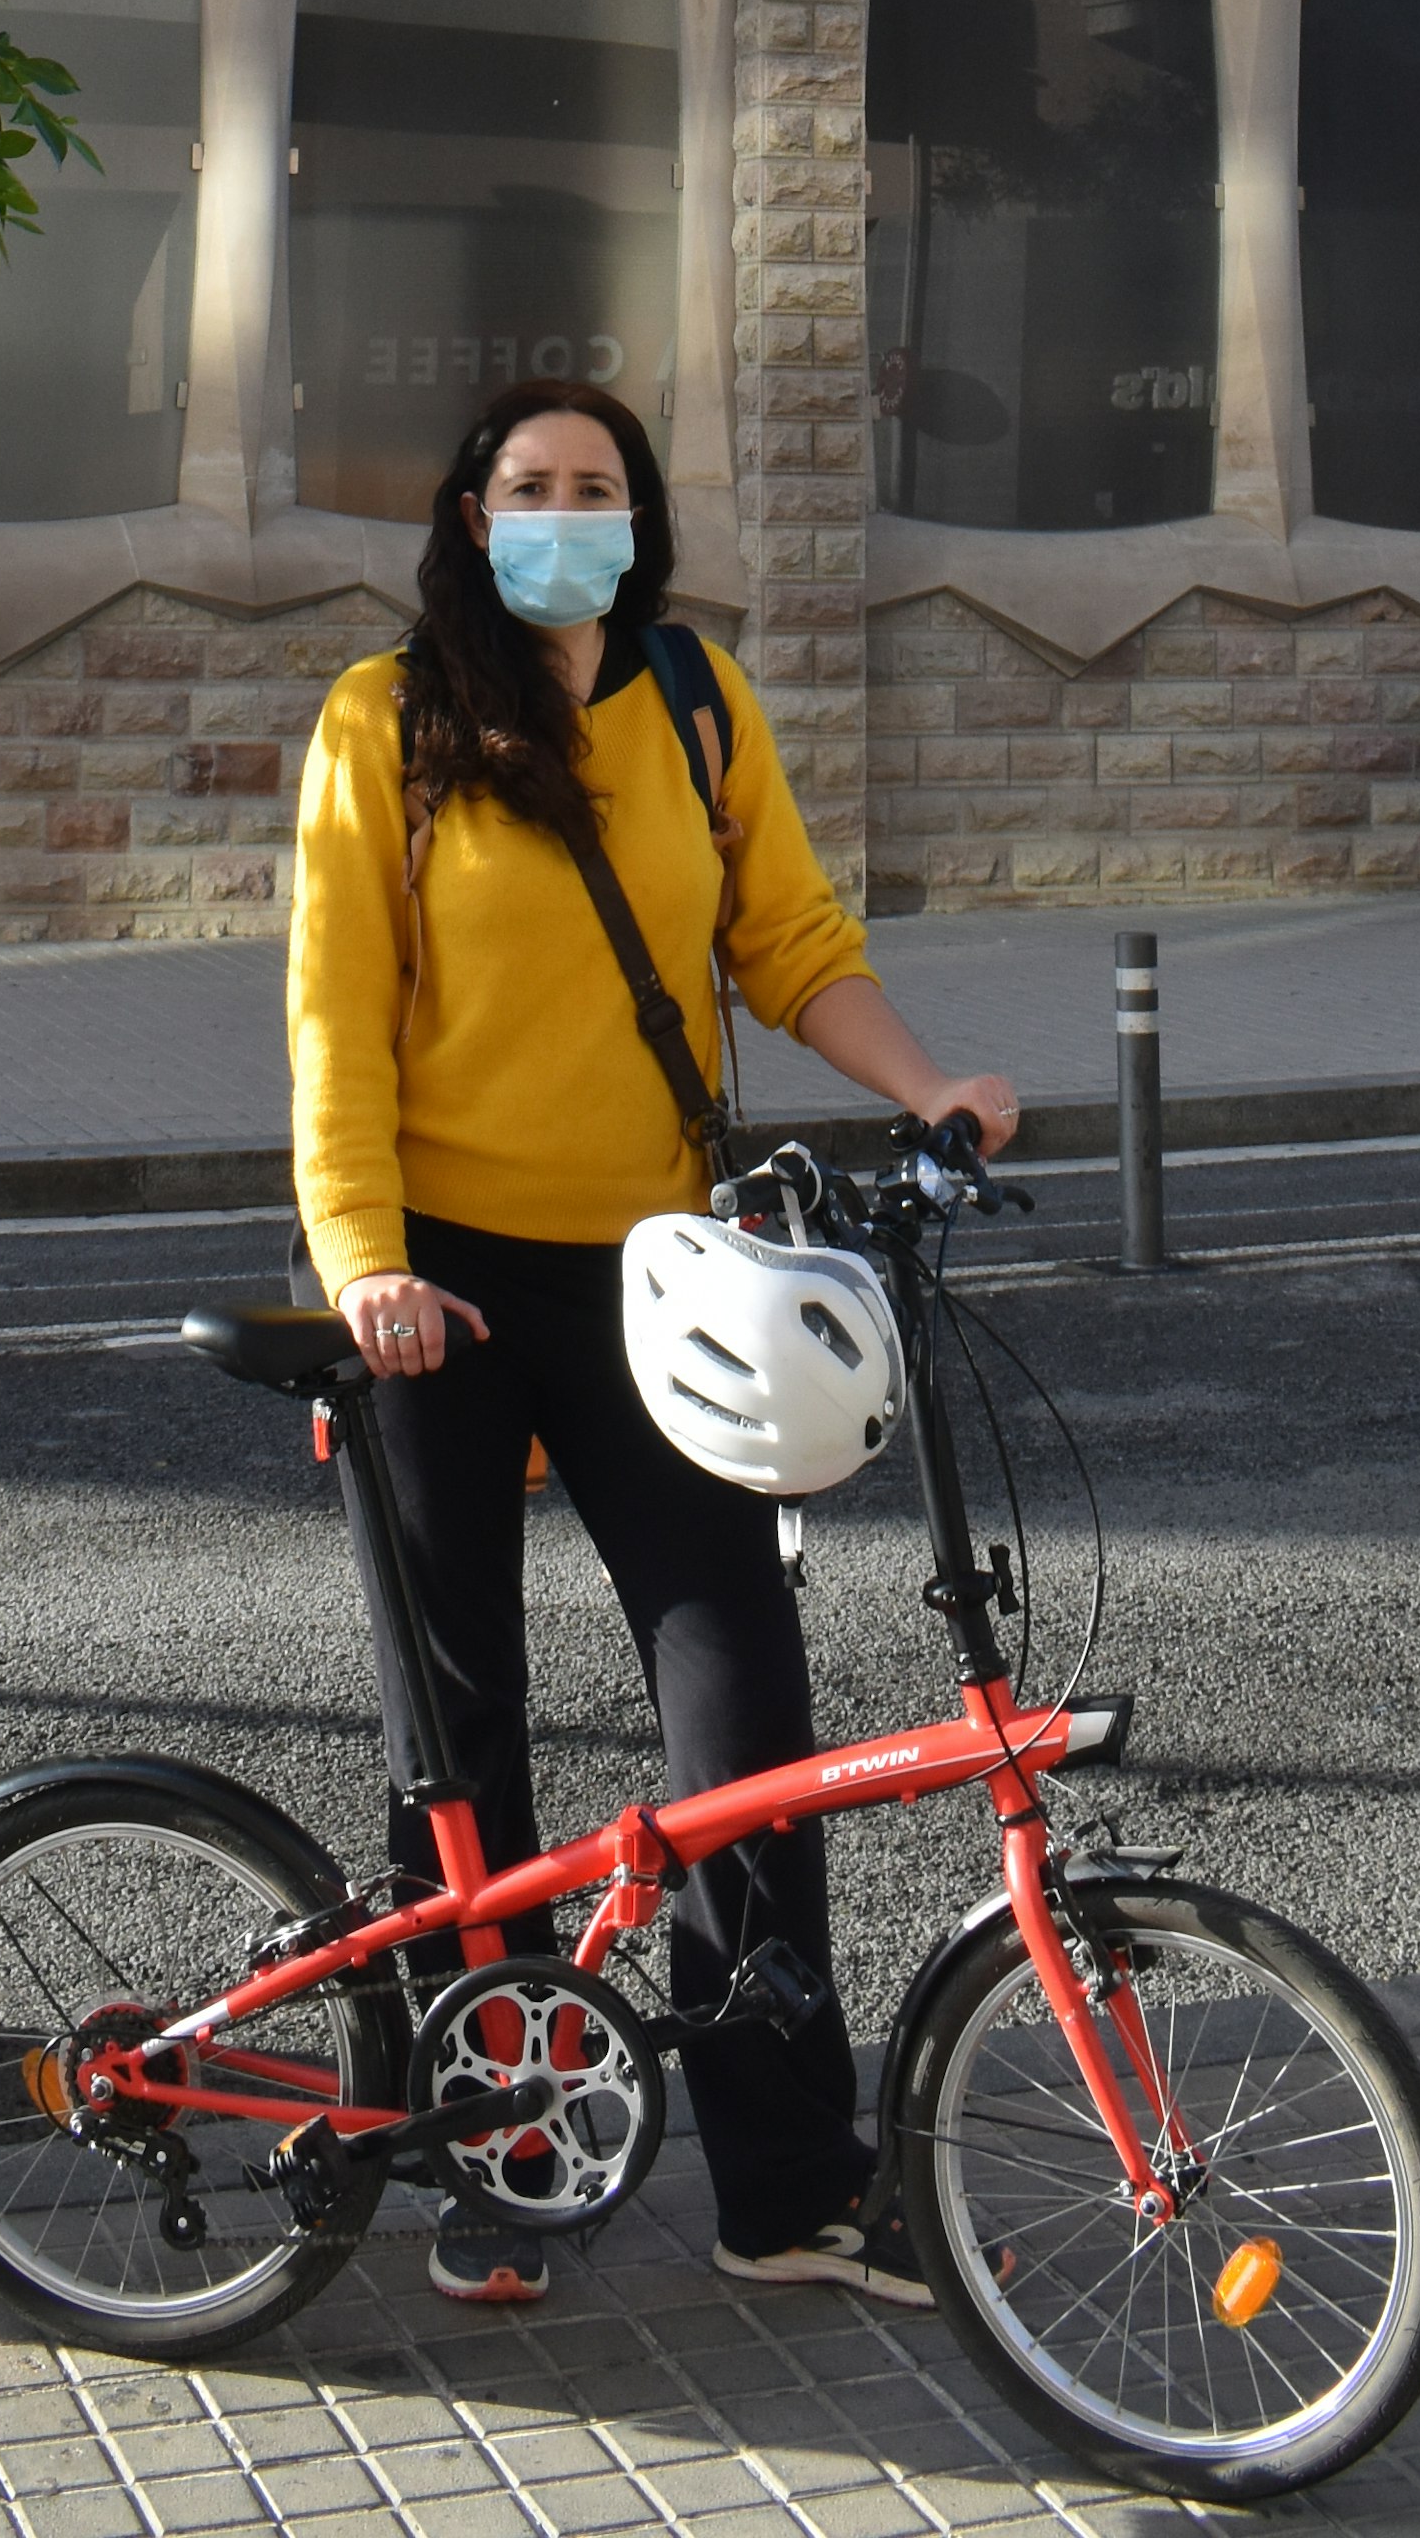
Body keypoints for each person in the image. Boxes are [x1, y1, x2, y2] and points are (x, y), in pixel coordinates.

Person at [288, 376, 1019, 2314]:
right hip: (437, 1285)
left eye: (593, 486)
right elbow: (337, 1017)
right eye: (525, 486)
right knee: (464, 1745)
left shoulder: (695, 704)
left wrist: (926, 1080)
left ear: (639, 519)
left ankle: (787, 2184)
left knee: (743, 1726)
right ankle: (501, 2154)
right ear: (467, 517)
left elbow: (790, 943)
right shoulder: (390, 722)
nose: (560, 512)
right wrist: (362, 1255)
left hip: (653, 1279)